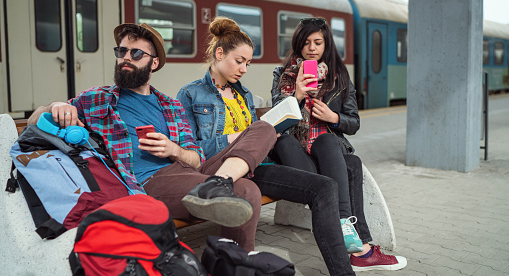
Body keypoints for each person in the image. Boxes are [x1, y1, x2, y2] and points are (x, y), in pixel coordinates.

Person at [27, 22, 276, 251]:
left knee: (265, 129)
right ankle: (233, 261)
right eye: (122, 51)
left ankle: (217, 189)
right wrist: (56, 106)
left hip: (191, 173)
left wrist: (173, 150)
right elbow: (34, 120)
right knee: (246, 191)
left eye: (136, 54)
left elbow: (197, 158)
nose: (126, 58)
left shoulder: (171, 106)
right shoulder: (97, 98)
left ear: (154, 63)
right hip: (147, 182)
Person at [178, 16, 360, 276]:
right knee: (332, 176)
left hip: (256, 165)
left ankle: (345, 267)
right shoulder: (191, 94)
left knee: (326, 186)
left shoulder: (244, 95)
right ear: (219, 54)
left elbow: (263, 136)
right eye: (239, 61)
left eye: (248, 63)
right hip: (220, 169)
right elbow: (190, 150)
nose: (244, 69)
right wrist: (237, 138)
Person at [270, 17, 407, 272]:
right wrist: (297, 96)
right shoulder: (284, 73)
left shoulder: (339, 76)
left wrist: (333, 118)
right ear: (298, 45)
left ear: (326, 45)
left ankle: (352, 234)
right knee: (349, 165)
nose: (312, 48)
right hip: (295, 149)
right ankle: (360, 246)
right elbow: (276, 122)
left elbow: (353, 122)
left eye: (318, 42)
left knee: (330, 143)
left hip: (326, 149)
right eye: (307, 42)